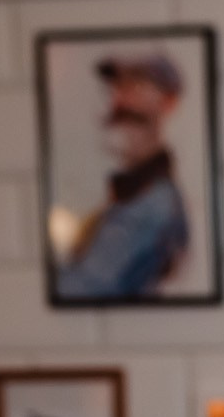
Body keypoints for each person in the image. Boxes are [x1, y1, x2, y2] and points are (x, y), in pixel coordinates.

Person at [54, 50, 189, 303]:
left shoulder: (153, 205)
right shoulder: (128, 193)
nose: (119, 100)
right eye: (116, 86)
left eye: (135, 86)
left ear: (168, 102)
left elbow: (81, 288)